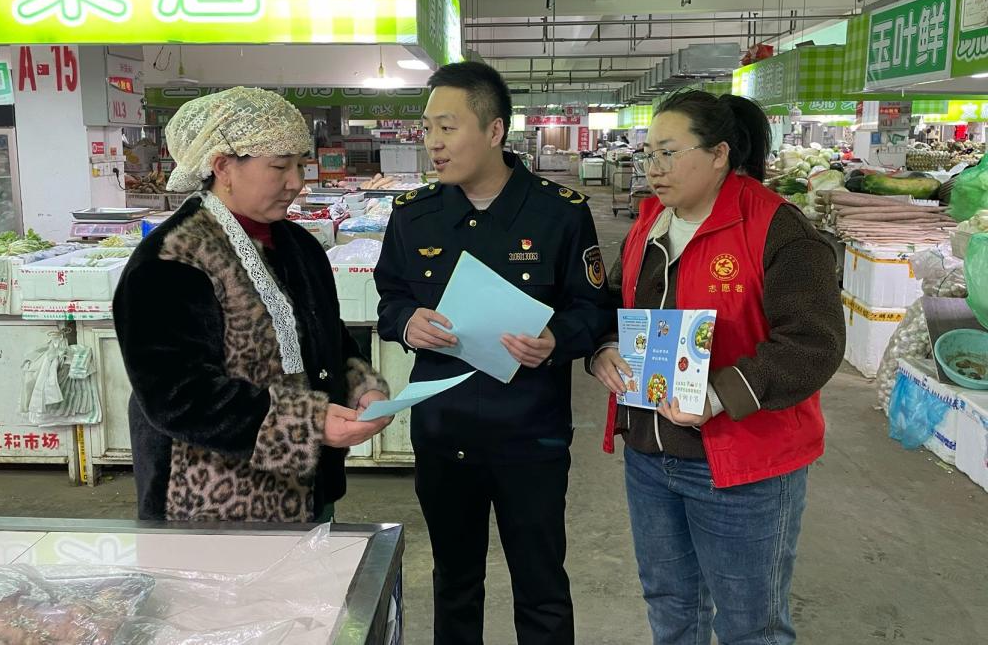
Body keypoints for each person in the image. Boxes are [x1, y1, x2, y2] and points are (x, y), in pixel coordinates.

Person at [590, 90, 845, 645]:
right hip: (650, 456)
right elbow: (613, 301)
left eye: (668, 153)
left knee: (750, 625)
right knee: (670, 608)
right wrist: (603, 347)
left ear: (719, 154)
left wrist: (717, 395)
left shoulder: (777, 229)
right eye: (648, 155)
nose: (653, 169)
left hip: (742, 465)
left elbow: (814, 343)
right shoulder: (649, 224)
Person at [374, 62, 613, 645]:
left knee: (541, 585)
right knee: (454, 582)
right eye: (428, 128)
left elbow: (594, 309)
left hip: (530, 437)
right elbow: (390, 298)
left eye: (447, 127)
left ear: (494, 130)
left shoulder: (560, 213)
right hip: (444, 433)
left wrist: (557, 340)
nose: (432, 142)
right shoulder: (414, 216)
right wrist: (407, 323)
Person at [114, 87, 391, 523]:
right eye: (279, 166)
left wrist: (363, 387)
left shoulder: (300, 246)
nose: (296, 182)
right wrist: (309, 422)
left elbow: (330, 340)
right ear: (223, 167)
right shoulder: (171, 259)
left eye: (299, 164)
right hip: (210, 501)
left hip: (308, 489)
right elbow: (177, 395)